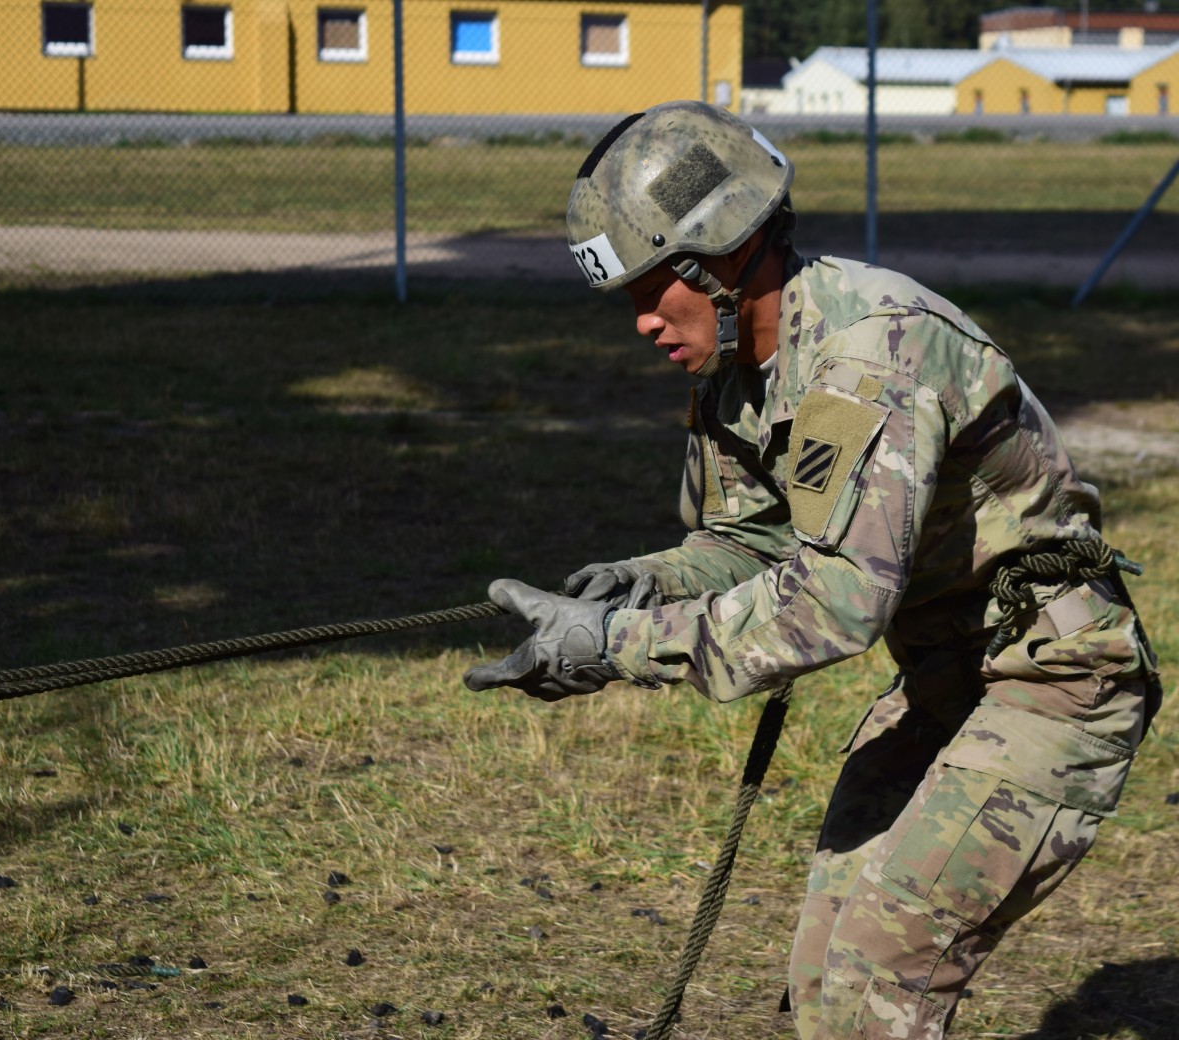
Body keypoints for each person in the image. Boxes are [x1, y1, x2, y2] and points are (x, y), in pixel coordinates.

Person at [463, 100, 1162, 1039]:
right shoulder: (732, 369)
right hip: (948, 677)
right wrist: (642, 586)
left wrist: (614, 648)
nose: (638, 323)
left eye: (647, 289)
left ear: (717, 261)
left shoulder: (867, 354)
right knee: (829, 976)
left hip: (1055, 681)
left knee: (884, 969)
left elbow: (835, 602)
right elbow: (753, 539)